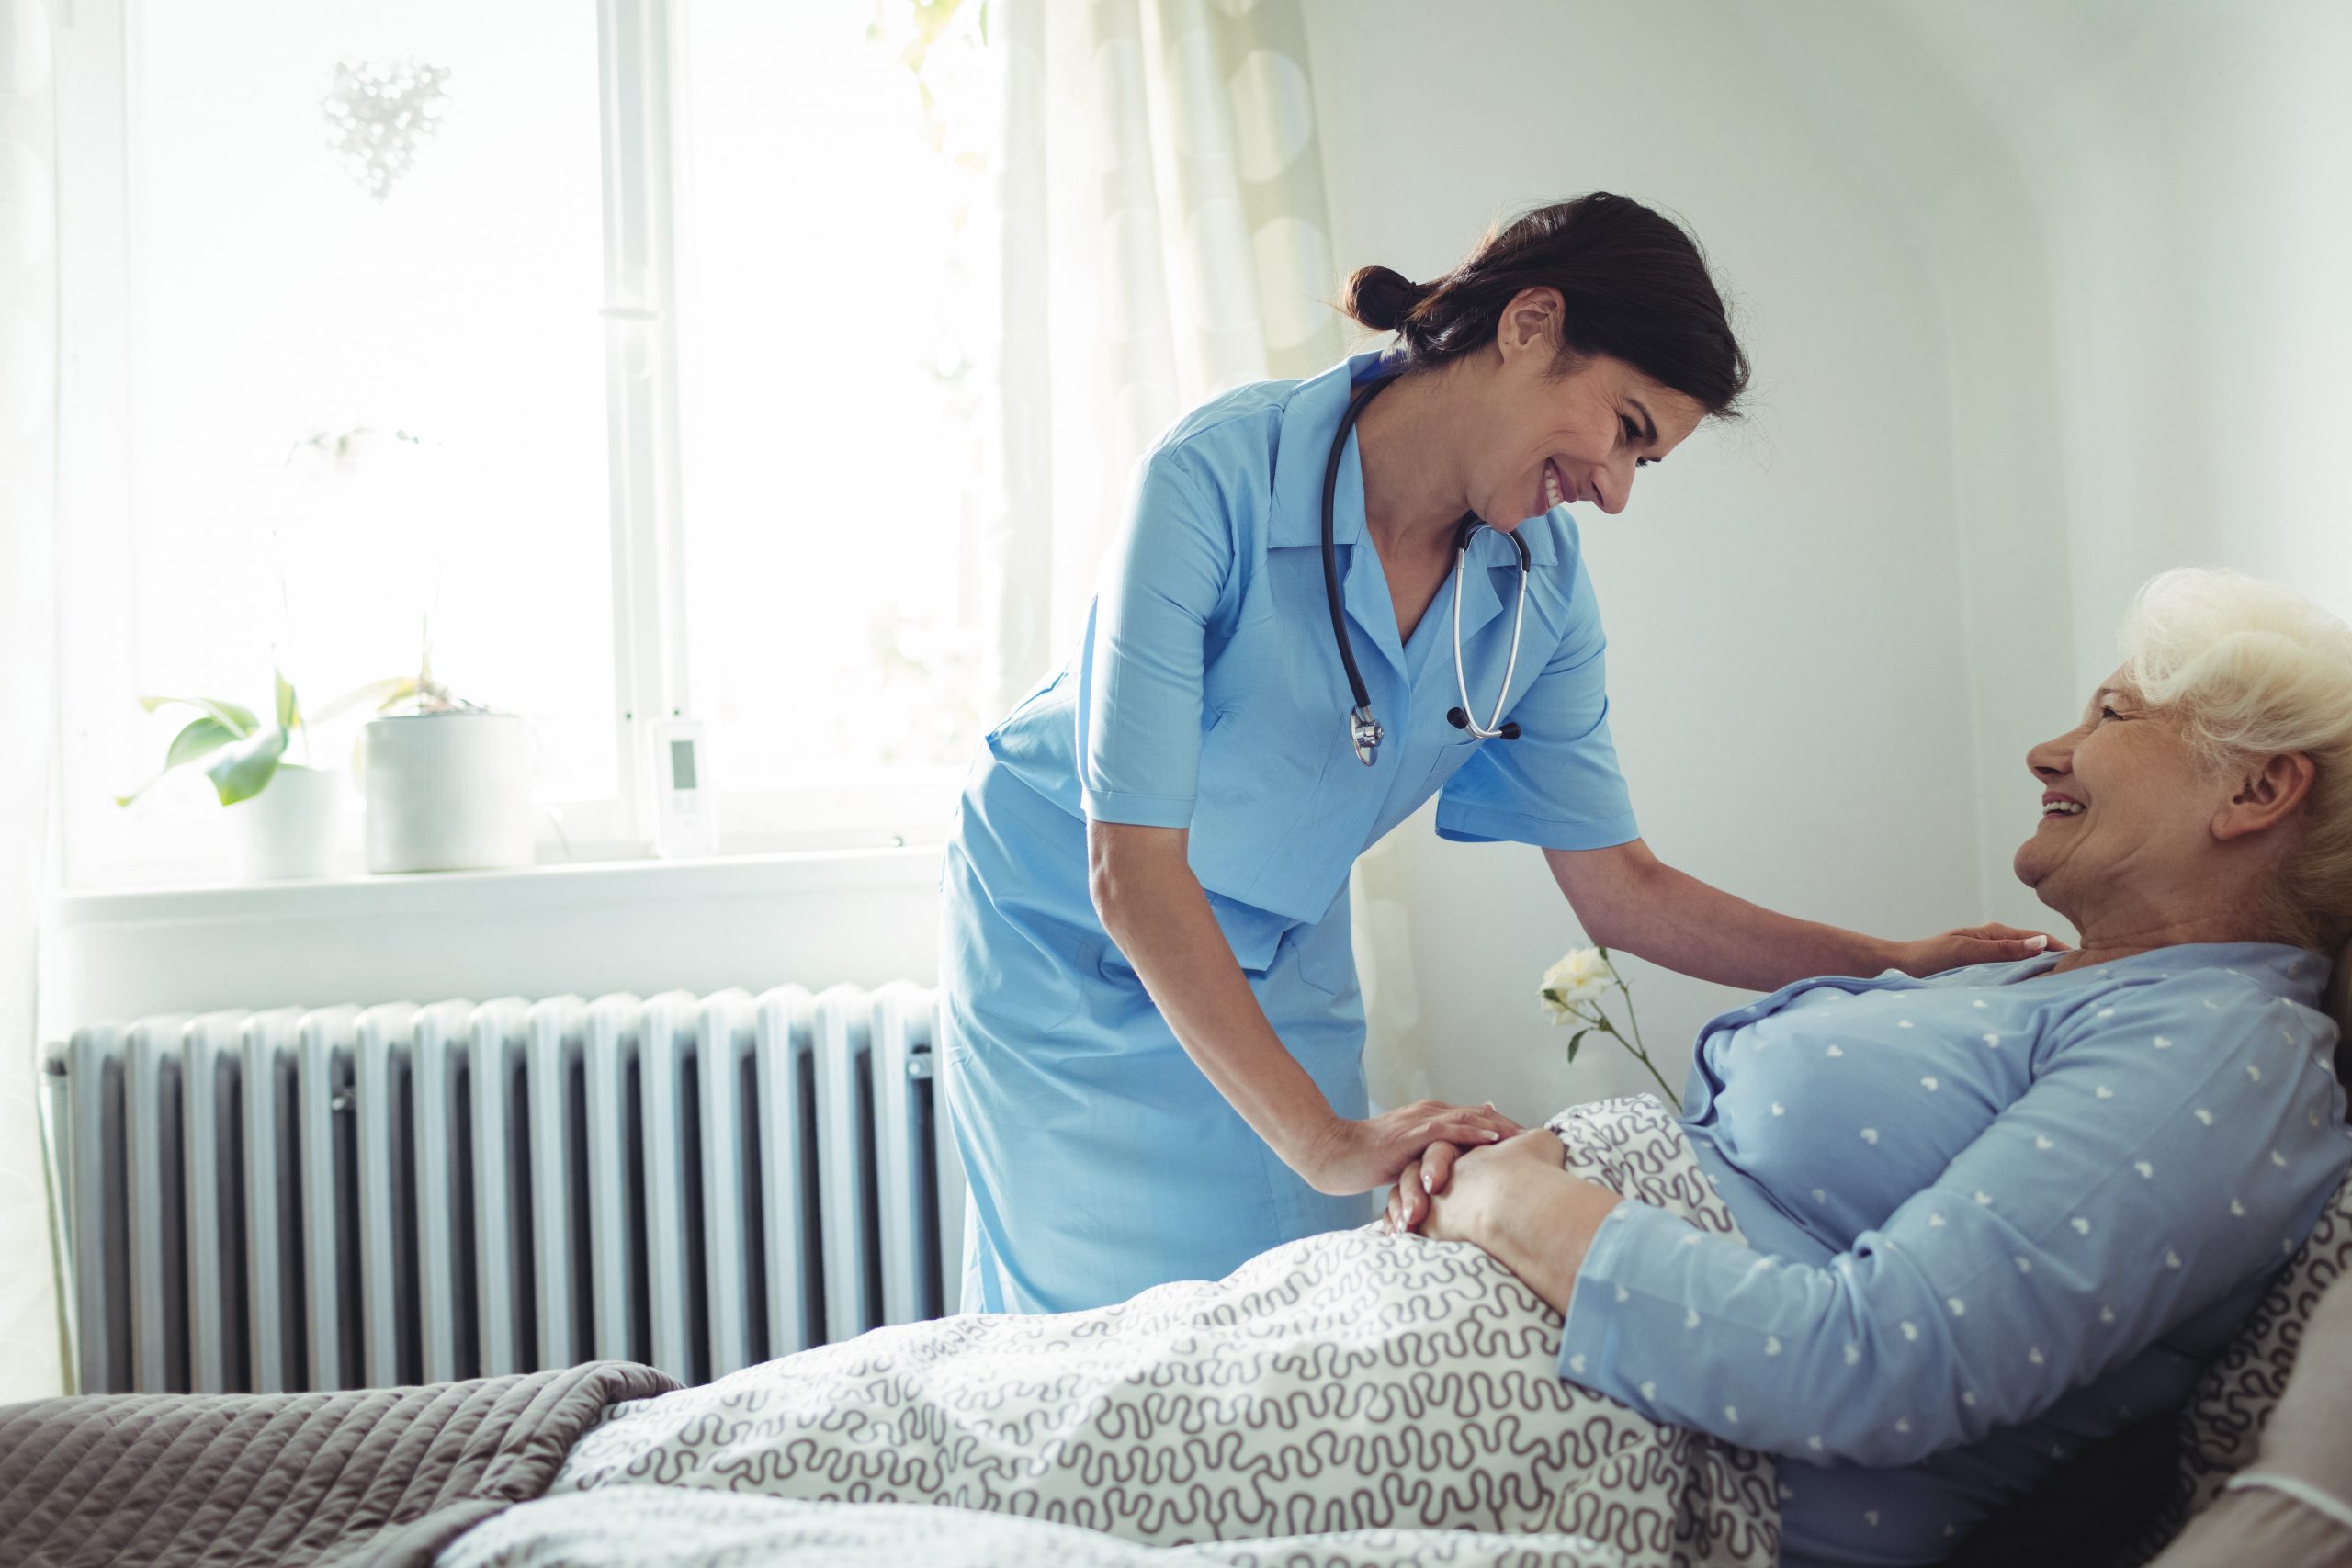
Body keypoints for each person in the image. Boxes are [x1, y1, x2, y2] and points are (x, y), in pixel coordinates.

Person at [942, 191, 2057, 1317]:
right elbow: (1129, 870)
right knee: (1095, 1323)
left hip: (1277, 936)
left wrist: (1890, 963)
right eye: (1624, 427)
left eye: (1646, 465)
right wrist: (1326, 1140)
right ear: (1529, 325)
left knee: (1288, 1310)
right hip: (1065, 921)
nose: (1615, 493)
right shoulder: (1214, 478)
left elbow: (1624, 891)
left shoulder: (1539, 590)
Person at [1386, 566, 2352, 1566]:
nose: (2045, 753)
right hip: (1458, 1359)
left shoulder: (2225, 1052)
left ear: (2255, 789)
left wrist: (1514, 1207)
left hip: (1579, 1439)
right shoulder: (2079, 988)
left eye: (2111, 712)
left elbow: (1877, 1364)